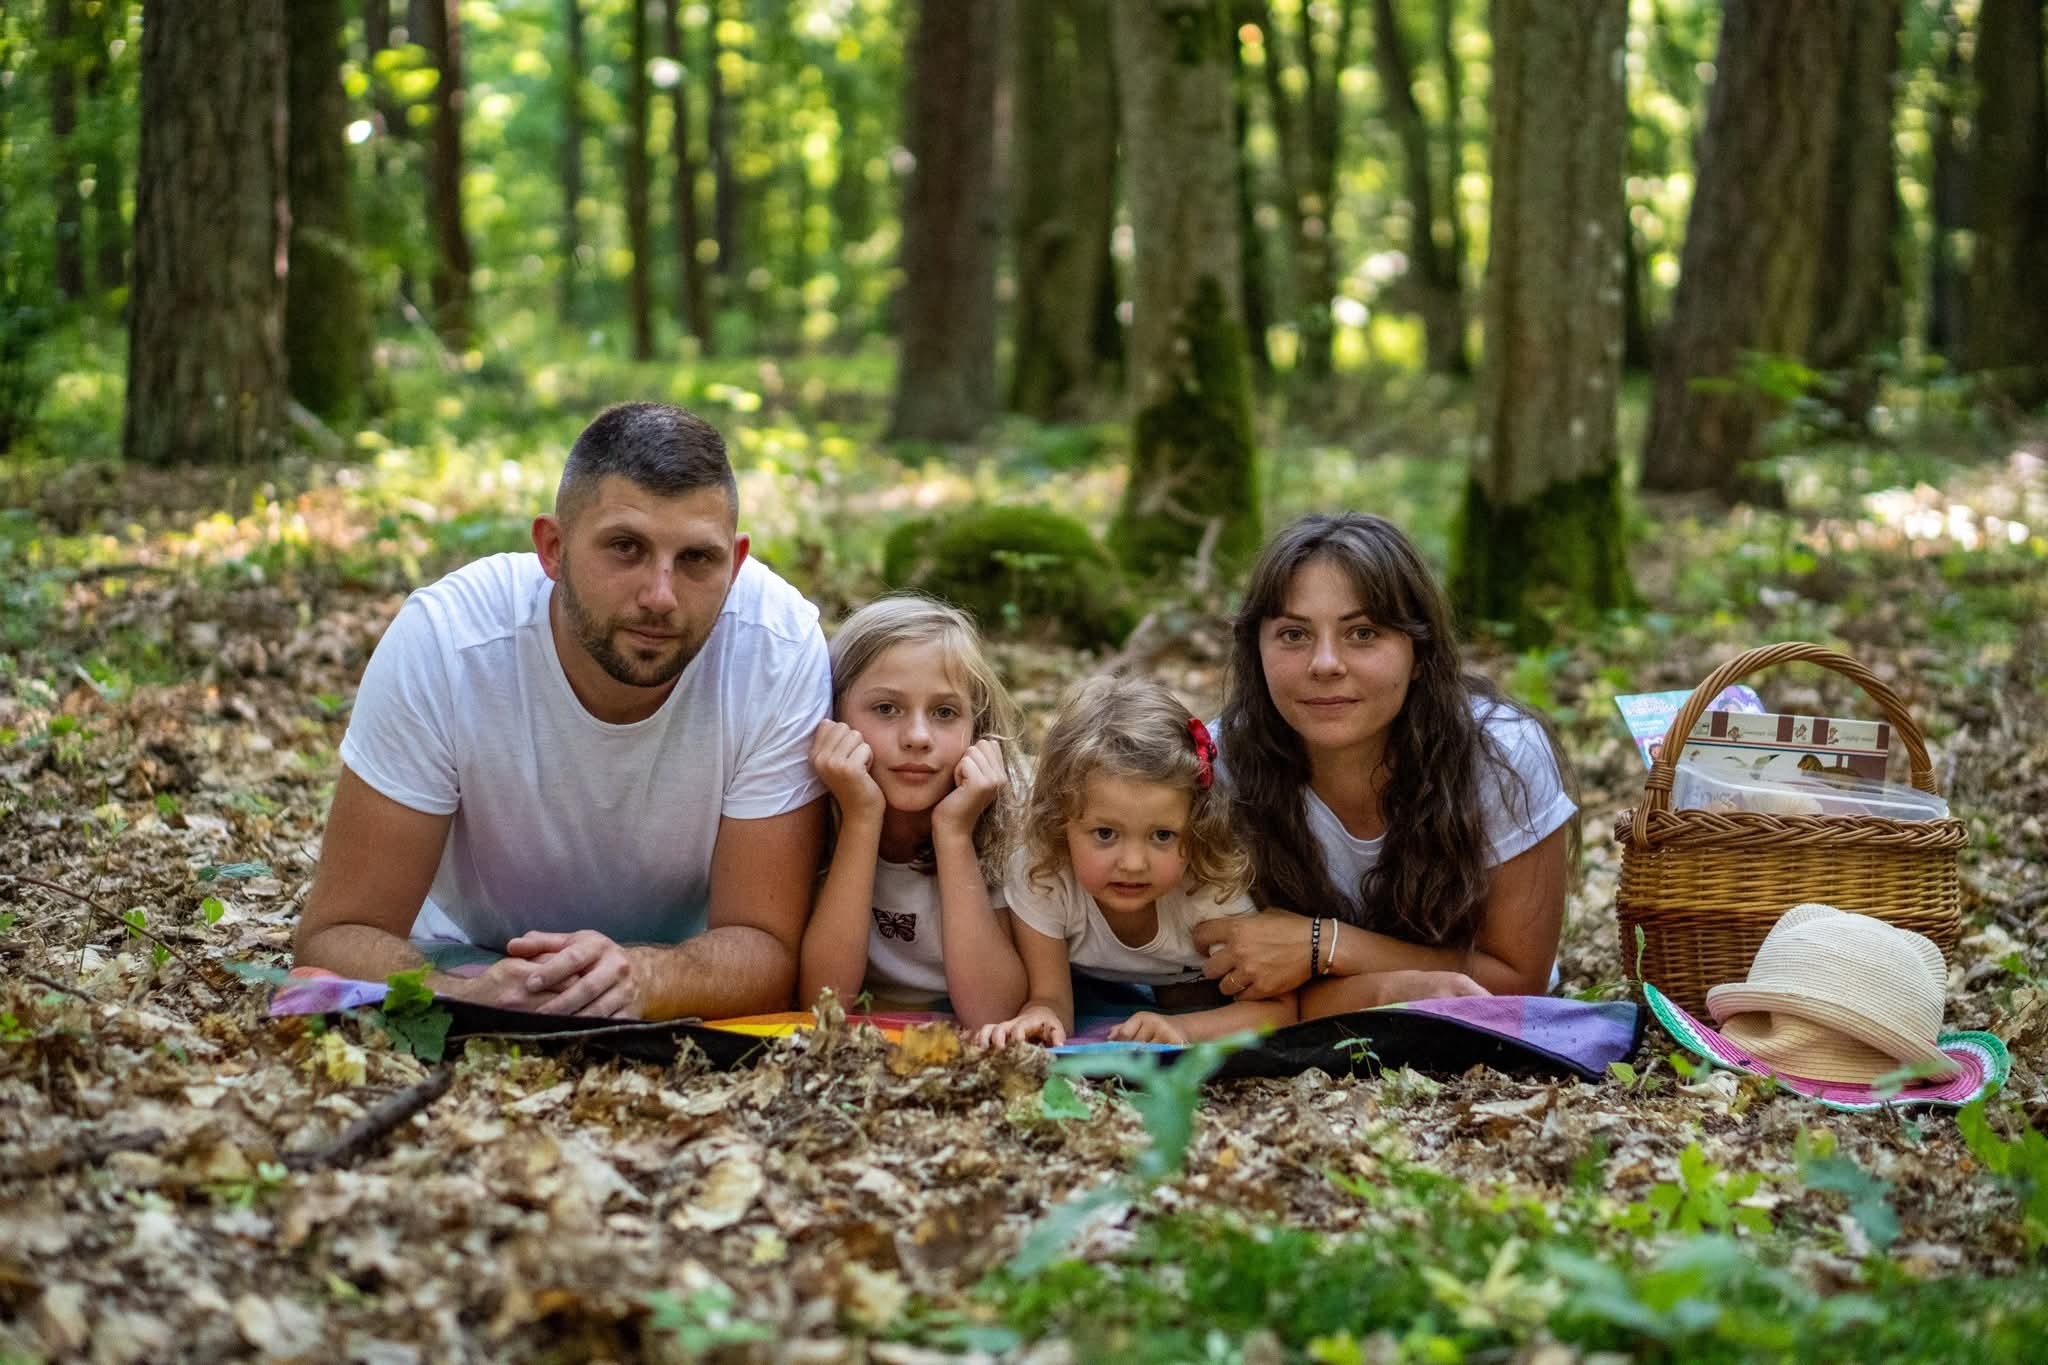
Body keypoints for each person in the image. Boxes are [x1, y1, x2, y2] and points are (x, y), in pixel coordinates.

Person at [291, 402, 831, 1020]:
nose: (660, 596)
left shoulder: (778, 649)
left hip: (685, 973)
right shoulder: (447, 642)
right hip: (460, 955)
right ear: (552, 547)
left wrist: (645, 977)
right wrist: (473, 996)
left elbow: (767, 949)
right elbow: (336, 934)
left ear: (735, 564)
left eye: (696, 560)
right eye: (625, 548)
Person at [1194, 512, 1578, 1018]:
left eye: (1363, 633)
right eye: (1293, 634)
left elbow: (1518, 980)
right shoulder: (1220, 766)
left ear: (1418, 653)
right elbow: (1211, 979)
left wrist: (1322, 945)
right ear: (1256, 650)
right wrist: (1389, 988)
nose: (1325, 663)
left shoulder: (1500, 753)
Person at [977, 674, 1298, 1047]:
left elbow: (1281, 1009)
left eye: (1162, 835)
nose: (1132, 863)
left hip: (1197, 983)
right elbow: (1050, 997)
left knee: (1192, 1000)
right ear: (1061, 821)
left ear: (1196, 825)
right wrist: (1040, 1018)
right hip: (1093, 982)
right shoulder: (1043, 874)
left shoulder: (1211, 888)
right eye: (1105, 834)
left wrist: (1183, 1031)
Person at [799, 596, 1028, 1029]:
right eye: (886, 708)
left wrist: (955, 834)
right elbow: (822, 1005)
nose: (918, 737)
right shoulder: (804, 810)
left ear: (976, 728)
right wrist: (862, 818)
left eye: (945, 712)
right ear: (832, 710)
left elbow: (993, 1014)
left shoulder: (1006, 820)